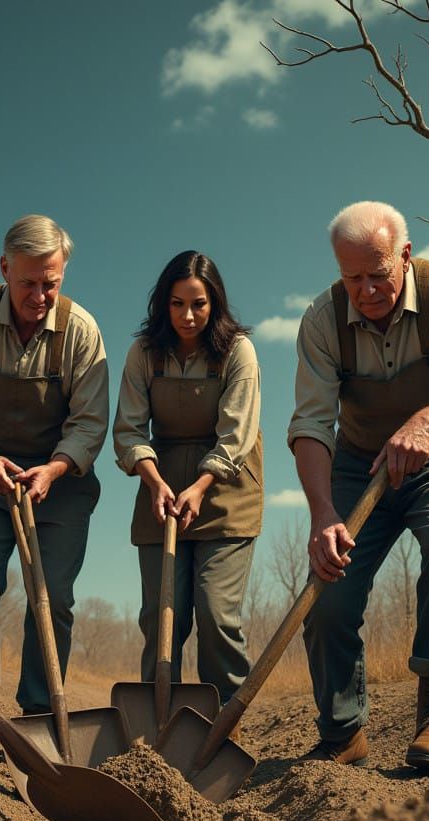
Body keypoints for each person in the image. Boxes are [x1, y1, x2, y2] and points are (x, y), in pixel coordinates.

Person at [288, 200, 429, 769]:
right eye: (351, 277)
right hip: (358, 467)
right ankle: (342, 733)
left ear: (404, 256)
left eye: (378, 273)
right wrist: (320, 515)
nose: (365, 289)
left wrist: (427, 422)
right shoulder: (322, 320)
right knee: (328, 589)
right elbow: (311, 425)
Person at [0, 215, 109, 760]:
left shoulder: (81, 331)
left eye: (51, 283)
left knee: (51, 594)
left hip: (60, 482)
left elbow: (89, 423)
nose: (39, 295)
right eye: (28, 282)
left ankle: (40, 715)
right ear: (4, 268)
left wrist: (54, 470)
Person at [113, 251, 263, 705]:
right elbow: (129, 429)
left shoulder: (237, 350)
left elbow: (238, 433)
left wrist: (200, 487)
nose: (188, 315)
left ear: (214, 303)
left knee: (216, 613)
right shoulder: (143, 353)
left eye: (198, 304)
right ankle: (158, 728)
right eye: (177, 304)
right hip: (160, 485)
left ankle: (225, 726)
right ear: (163, 304)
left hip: (226, 489)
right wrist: (155, 482)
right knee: (163, 617)